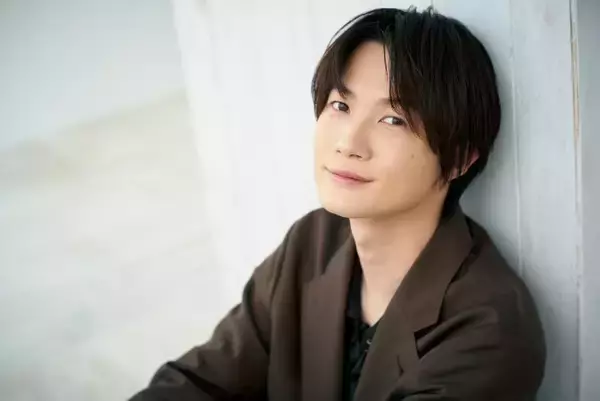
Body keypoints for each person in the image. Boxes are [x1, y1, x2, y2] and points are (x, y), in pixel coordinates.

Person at [129, 7, 546, 401]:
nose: (348, 142)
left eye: (393, 119)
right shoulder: (312, 241)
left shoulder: (489, 328)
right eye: (341, 105)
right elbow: (202, 380)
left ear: (459, 159)